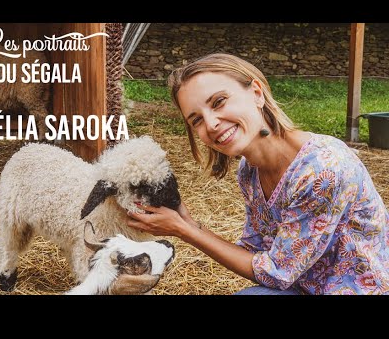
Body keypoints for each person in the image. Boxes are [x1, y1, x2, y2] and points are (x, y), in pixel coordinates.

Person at [126, 53, 389, 295]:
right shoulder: (250, 170)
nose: (211, 124)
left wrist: (185, 231)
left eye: (218, 102)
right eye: (196, 120)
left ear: (256, 93)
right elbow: (255, 253)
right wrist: (188, 222)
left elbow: (276, 273)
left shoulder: (322, 170)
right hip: (306, 286)